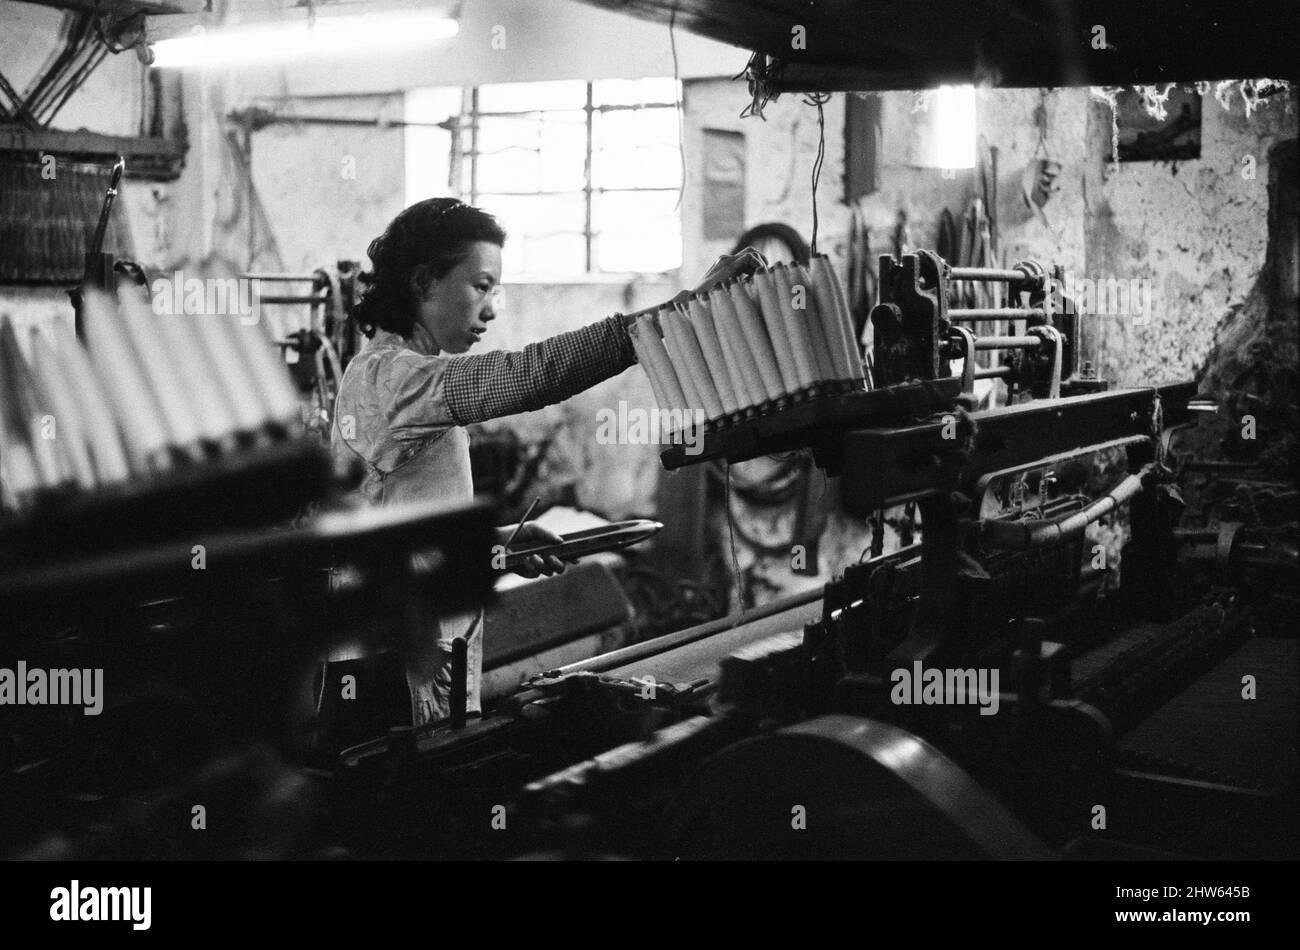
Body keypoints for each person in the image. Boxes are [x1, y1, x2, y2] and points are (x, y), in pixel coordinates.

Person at [331, 197, 760, 726]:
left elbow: (398, 534)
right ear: (424, 283)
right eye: (480, 286)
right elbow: (530, 375)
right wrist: (681, 310)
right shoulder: (389, 379)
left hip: (414, 663)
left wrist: (500, 542)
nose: (491, 308)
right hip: (387, 676)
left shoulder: (404, 378)